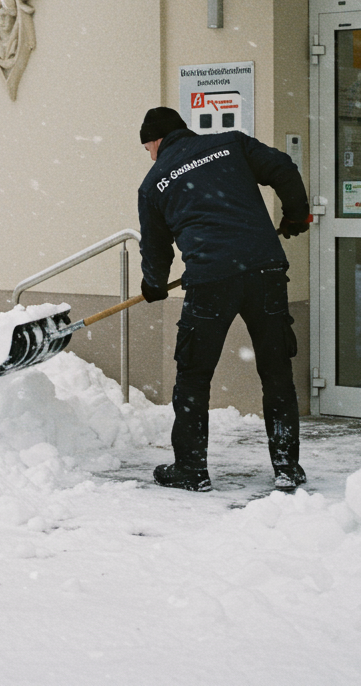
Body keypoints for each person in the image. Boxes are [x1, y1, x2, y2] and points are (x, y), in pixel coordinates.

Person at [137, 106, 310, 493]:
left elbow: (156, 247)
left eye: (148, 147)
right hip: (265, 268)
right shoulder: (230, 144)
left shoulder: (152, 185)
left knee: (194, 376)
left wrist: (154, 284)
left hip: (210, 279)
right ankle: (286, 467)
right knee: (276, 369)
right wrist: (297, 216)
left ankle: (191, 469)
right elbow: (283, 168)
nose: (149, 155)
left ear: (156, 140)